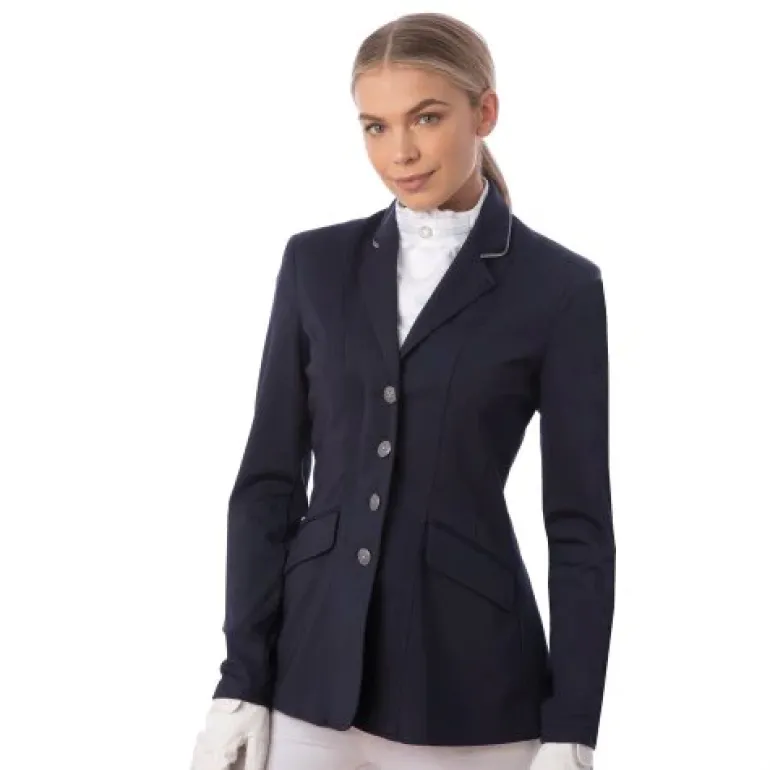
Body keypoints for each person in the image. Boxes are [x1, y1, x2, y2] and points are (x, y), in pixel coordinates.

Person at [190, 12, 614, 770]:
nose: (400, 153)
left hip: (474, 693)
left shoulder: (560, 288)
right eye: (375, 127)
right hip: (308, 679)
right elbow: (268, 485)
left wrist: (573, 727)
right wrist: (240, 680)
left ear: (485, 112)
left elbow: (579, 526)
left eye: (426, 117)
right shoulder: (314, 264)